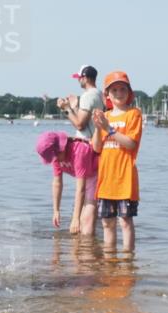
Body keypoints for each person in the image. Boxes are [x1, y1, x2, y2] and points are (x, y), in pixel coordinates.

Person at [91, 71, 143, 252]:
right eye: (114, 90)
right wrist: (99, 128)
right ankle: (109, 260)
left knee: (125, 222)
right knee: (107, 223)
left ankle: (128, 260)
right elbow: (96, 148)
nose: (119, 93)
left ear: (129, 92)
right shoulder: (106, 116)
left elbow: (130, 143)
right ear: (107, 95)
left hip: (125, 178)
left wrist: (109, 129)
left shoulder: (133, 114)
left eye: (122, 89)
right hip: (106, 180)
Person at [52, 64, 103, 233]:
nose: (78, 81)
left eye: (79, 78)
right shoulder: (97, 94)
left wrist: (66, 109)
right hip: (93, 148)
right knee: (87, 200)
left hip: (87, 149)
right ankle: (86, 245)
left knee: (87, 200)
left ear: (85, 78)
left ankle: (85, 244)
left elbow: (80, 124)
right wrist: (74, 106)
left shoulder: (89, 96)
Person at [36, 131, 97, 236]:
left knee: (86, 225)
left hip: (97, 173)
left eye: (55, 156)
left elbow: (81, 189)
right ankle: (81, 248)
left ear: (60, 148)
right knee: (79, 227)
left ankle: (87, 247)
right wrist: (56, 210)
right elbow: (57, 183)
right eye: (51, 158)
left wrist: (75, 218)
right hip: (85, 177)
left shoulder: (79, 150)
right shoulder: (55, 157)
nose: (54, 160)